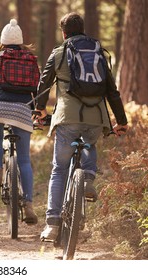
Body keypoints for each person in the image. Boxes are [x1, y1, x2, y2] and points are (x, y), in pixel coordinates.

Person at [35, 12, 128, 241]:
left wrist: (41, 111)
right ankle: (87, 177)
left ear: (64, 32)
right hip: (96, 118)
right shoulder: (98, 53)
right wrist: (122, 121)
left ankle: (53, 224)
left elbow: (43, 86)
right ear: (83, 29)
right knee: (89, 143)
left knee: (59, 169)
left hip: (68, 118)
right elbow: (112, 91)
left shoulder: (59, 53)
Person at [0, 19, 40, 225]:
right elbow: (36, 91)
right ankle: (29, 205)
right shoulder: (30, 59)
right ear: (21, 42)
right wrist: (38, 112)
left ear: (2, 41)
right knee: (23, 159)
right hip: (22, 110)